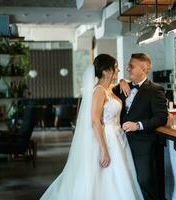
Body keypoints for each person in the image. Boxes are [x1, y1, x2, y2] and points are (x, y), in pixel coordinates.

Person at [40, 54, 144, 200]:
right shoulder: (99, 91)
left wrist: (121, 81)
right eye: (115, 68)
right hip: (106, 139)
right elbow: (95, 120)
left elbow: (122, 83)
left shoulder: (108, 89)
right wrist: (104, 150)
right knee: (105, 179)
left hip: (117, 137)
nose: (119, 70)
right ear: (106, 71)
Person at [113, 53, 168, 200]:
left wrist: (138, 125)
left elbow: (161, 117)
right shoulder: (121, 88)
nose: (128, 69)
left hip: (143, 145)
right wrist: (121, 80)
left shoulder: (155, 89)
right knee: (127, 182)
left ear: (144, 68)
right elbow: (103, 91)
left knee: (145, 181)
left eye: (132, 66)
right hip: (121, 144)